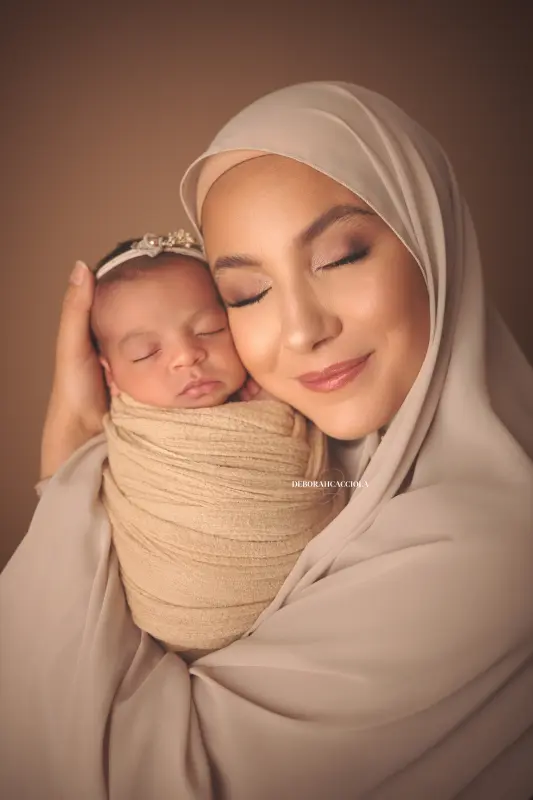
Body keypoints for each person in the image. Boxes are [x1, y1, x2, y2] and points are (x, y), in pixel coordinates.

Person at [1, 81, 533, 800]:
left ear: (430, 239)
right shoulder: (314, 458)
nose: (299, 330)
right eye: (246, 295)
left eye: (341, 256)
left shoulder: (483, 544)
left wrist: (68, 464)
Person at [90, 231, 345, 657]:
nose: (186, 356)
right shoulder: (133, 433)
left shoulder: (282, 400)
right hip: (176, 628)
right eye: (145, 353)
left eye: (209, 330)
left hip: (307, 617)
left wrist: (278, 409)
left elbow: (323, 482)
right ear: (111, 375)